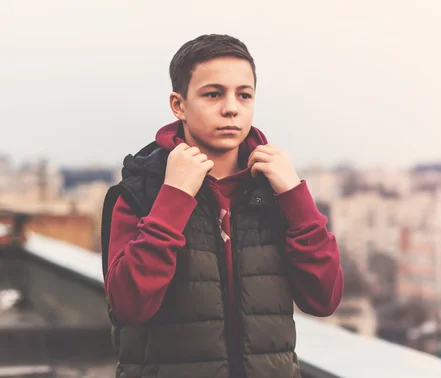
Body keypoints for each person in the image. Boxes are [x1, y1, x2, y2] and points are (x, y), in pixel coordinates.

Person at [100, 34, 344, 378]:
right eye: (213, 94)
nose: (231, 108)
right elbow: (129, 305)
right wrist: (174, 197)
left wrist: (295, 195)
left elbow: (324, 298)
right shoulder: (139, 190)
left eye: (244, 95)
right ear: (178, 104)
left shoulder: (274, 191)